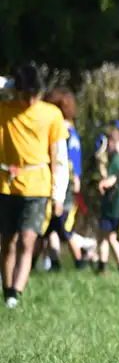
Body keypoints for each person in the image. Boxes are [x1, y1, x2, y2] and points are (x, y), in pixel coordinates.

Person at [0, 63, 69, 308]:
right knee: (7, 241)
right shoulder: (5, 110)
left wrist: (58, 194)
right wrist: (9, 84)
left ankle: (15, 294)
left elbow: (59, 157)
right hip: (6, 186)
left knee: (27, 240)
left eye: (34, 95)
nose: (29, 101)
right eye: (24, 94)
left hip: (38, 187)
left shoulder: (51, 115)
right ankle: (7, 288)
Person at [41, 87, 89, 270]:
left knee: (63, 227)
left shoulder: (60, 129)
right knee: (52, 228)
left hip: (61, 182)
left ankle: (80, 261)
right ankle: (55, 263)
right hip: (68, 180)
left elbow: (62, 158)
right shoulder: (71, 129)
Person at [95, 124, 119, 275]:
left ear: (111, 141)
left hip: (113, 202)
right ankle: (102, 266)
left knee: (109, 237)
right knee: (108, 236)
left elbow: (107, 180)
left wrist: (100, 164)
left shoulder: (117, 159)